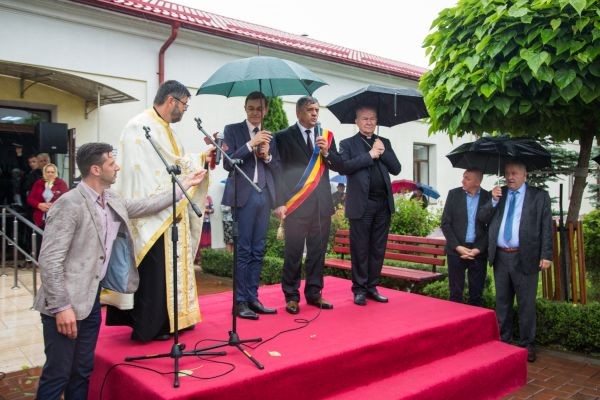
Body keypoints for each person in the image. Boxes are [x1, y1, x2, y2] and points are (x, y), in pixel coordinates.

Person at [33, 142, 207, 399]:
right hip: (65, 304)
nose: (118, 167)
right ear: (95, 169)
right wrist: (61, 307)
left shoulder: (111, 199)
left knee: (82, 371)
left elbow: (147, 205)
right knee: (58, 374)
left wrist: (184, 185)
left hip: (91, 301)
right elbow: (49, 261)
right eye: (111, 163)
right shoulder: (69, 204)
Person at [105, 80, 211, 342]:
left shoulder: (167, 130)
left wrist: (201, 158)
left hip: (172, 211)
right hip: (152, 215)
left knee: (170, 269)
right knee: (155, 272)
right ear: (172, 100)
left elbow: (175, 164)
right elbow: (147, 174)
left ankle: (175, 319)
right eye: (184, 105)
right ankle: (153, 325)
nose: (184, 110)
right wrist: (194, 164)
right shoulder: (138, 126)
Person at [478, 160, 553, 363]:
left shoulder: (538, 196)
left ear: (525, 175)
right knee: (502, 302)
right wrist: (492, 201)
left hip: (525, 256)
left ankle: (527, 344)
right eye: (507, 173)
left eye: (514, 173)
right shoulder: (499, 193)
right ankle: (504, 340)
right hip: (501, 256)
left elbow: (546, 226)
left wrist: (546, 255)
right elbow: (482, 217)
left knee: (526, 303)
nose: (510, 177)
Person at [274, 96, 342, 314]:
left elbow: (338, 165)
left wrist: (327, 152)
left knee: (317, 253)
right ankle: (291, 296)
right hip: (296, 205)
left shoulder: (326, 136)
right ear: (298, 113)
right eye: (310, 110)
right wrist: (279, 202)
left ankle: (314, 293)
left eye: (317, 110)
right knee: (293, 253)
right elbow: (277, 173)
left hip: (321, 205)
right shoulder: (283, 137)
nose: (314, 113)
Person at [221, 91, 279, 320]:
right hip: (243, 197)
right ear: (245, 108)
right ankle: (240, 302)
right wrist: (250, 144)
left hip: (264, 196)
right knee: (243, 250)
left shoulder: (270, 136)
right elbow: (228, 163)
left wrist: (268, 157)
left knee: (258, 249)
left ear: (266, 110)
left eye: (259, 109)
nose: (255, 113)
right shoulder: (232, 130)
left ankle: (253, 298)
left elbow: (278, 168)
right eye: (251, 108)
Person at [338, 105, 401, 306]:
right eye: (364, 118)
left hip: (383, 203)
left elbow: (396, 169)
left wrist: (383, 152)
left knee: (377, 248)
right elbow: (343, 167)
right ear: (356, 121)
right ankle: (359, 289)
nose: (369, 122)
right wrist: (370, 155)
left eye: (372, 118)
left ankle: (372, 287)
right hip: (362, 204)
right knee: (360, 248)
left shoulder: (384, 142)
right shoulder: (347, 144)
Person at [441, 168, 491, 307]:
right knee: (455, 294)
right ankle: (455, 320)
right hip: (456, 251)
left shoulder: (488, 198)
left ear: (477, 182)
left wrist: (478, 249)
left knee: (476, 296)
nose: (462, 181)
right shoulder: (453, 194)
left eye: (467, 178)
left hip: (478, 252)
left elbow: (492, 228)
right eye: (463, 177)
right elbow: (445, 223)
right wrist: (458, 247)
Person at [27, 163, 69, 228]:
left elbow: (66, 199)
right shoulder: (38, 183)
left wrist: (53, 205)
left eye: (52, 172)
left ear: (56, 173)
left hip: (57, 218)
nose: (50, 174)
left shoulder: (61, 183)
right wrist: (39, 205)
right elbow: (30, 199)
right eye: (48, 172)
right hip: (41, 218)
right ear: (44, 173)